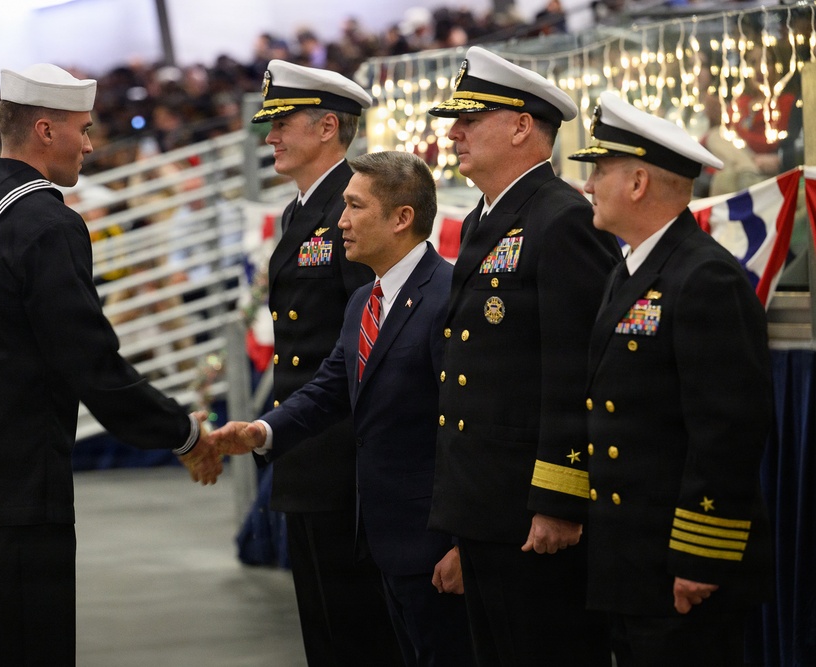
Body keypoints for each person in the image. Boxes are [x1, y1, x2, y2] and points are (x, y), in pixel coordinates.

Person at [0, 63, 220, 667]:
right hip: (17, 491)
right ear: (45, 131)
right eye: (84, 128)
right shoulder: (46, 224)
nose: (92, 144)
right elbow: (90, 362)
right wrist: (183, 434)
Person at [213, 151, 472, 666]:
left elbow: (464, 431)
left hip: (434, 547)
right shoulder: (363, 302)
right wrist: (259, 432)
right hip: (380, 539)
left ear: (402, 218)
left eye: (355, 206)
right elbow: (328, 389)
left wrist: (462, 541)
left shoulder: (447, 297)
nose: (341, 221)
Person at [425, 46, 620, 665]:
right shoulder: (493, 218)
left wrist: (559, 500)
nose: (453, 132)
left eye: (470, 118)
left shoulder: (561, 219)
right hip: (487, 503)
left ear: (520, 127)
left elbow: (575, 372)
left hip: (531, 510)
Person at [568, 91, 774, 667]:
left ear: (637, 183)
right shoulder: (632, 268)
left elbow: (728, 432)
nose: (587, 186)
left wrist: (699, 558)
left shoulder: (705, 277)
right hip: (630, 560)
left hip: (677, 563)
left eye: (600, 171)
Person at [249, 59, 403, 665]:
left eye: (283, 123)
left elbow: (369, 344)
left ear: (327, 128)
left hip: (344, 461)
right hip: (307, 454)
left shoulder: (352, 206)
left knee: (356, 633)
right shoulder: (300, 212)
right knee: (324, 631)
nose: (271, 137)